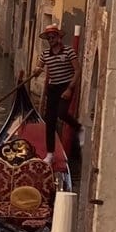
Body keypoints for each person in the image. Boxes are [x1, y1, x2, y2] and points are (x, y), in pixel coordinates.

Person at [31, 26, 77, 161]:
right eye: (48, 38)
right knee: (49, 121)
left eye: (53, 37)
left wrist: (70, 88)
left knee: (62, 113)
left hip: (65, 86)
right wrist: (37, 71)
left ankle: (77, 127)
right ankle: (50, 154)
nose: (50, 40)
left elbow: (77, 70)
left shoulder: (68, 51)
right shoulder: (45, 54)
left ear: (58, 37)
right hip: (53, 88)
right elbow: (39, 67)